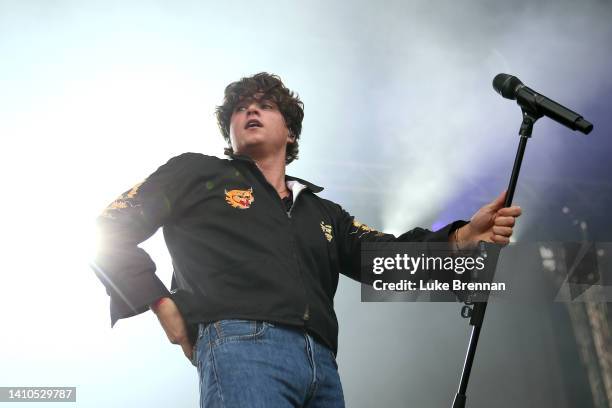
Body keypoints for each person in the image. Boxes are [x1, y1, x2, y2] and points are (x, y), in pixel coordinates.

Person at [92, 72, 522, 407]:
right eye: (239, 109)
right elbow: (110, 227)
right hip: (241, 346)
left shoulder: (322, 212)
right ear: (230, 131)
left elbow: (381, 258)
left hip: (322, 366)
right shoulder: (196, 173)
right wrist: (159, 302)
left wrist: (462, 238)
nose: (249, 112)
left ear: (291, 132)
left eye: (264, 105)